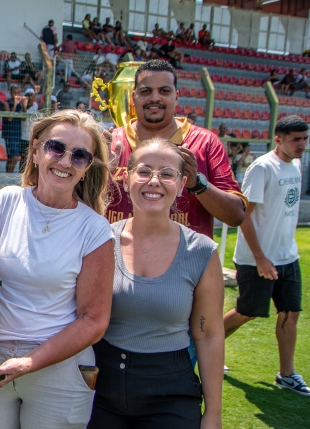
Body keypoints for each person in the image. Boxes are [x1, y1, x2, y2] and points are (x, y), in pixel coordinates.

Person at [0, 110, 114, 428]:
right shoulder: (6, 202)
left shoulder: (95, 229)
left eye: (80, 155)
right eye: (56, 147)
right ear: (36, 150)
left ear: (87, 168)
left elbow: (94, 320)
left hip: (59, 367)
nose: (65, 161)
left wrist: (29, 362)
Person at [89, 137, 224, 428]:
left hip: (171, 391)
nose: (154, 181)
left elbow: (209, 335)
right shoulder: (99, 240)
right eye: (144, 171)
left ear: (181, 183)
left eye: (166, 174)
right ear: (126, 179)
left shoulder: (201, 251)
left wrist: (213, 413)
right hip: (101, 388)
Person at [222, 115, 310, 397]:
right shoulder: (263, 168)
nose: (301, 145)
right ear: (278, 139)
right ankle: (200, 347)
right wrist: (261, 258)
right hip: (258, 259)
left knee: (291, 312)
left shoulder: (297, 165)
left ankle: (286, 375)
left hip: (288, 256)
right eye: (295, 139)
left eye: (304, 139)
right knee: (247, 312)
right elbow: (244, 216)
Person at [106, 60, 246, 239]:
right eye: (146, 91)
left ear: (176, 96)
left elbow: (236, 216)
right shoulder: (109, 143)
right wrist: (99, 177)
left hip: (187, 264)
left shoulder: (205, 142)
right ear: (133, 97)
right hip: (117, 262)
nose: (155, 98)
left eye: (164, 91)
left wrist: (197, 184)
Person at [3, 86, 23, 173]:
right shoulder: (6, 103)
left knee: (12, 157)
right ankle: (9, 175)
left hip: (18, 133)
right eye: (15, 93)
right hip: (9, 133)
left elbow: (23, 119)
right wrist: (15, 104)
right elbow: (10, 118)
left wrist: (24, 105)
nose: (17, 95)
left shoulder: (20, 104)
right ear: (11, 94)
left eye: (18, 93)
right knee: (13, 157)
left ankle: (8, 175)